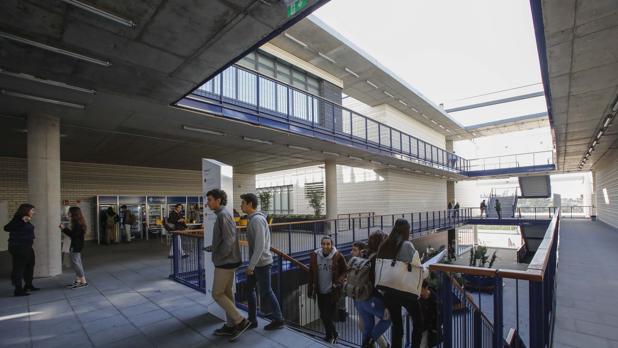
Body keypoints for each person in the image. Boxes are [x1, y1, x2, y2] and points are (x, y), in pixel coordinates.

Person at [205, 189, 251, 342]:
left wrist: (219, 255)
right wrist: (213, 247)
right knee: (227, 293)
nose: (207, 203)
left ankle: (240, 321)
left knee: (217, 294)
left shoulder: (223, 215)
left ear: (218, 200)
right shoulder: (222, 214)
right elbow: (225, 239)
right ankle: (231, 325)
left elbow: (230, 240)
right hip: (228, 260)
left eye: (210, 200)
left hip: (225, 262)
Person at [240, 193, 285, 331]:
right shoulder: (253, 219)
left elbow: (260, 246)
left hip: (262, 263)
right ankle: (252, 320)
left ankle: (279, 319)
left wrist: (251, 266)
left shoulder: (257, 220)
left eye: (242, 203)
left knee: (266, 291)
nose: (241, 206)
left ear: (249, 204)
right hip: (256, 263)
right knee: (250, 289)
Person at [376, 219, 424, 348]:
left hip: (388, 291)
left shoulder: (384, 244)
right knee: (418, 323)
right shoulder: (407, 245)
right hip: (405, 290)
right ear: (407, 231)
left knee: (397, 326)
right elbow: (418, 268)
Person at [353, 231, 391, 348]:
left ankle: (366, 344)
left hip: (359, 299)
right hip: (371, 299)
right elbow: (381, 285)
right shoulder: (378, 260)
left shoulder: (363, 254)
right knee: (390, 318)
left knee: (368, 326)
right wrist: (388, 305)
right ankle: (369, 341)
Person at [308, 236, 348, 344]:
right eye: (323, 244)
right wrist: (310, 287)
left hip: (332, 292)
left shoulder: (338, 256)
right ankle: (334, 334)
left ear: (332, 245)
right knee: (323, 315)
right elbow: (311, 272)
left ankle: (330, 336)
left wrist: (338, 283)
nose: (326, 246)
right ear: (321, 245)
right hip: (320, 291)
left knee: (327, 316)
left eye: (328, 244)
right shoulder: (315, 256)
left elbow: (345, 271)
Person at [4, 203, 38, 296]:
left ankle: (28, 285)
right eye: (32, 210)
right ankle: (18, 289)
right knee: (19, 268)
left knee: (30, 265)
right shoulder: (18, 219)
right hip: (19, 247)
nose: (33, 212)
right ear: (26, 210)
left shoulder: (26, 220)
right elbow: (6, 228)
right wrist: (22, 221)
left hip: (27, 246)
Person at [59, 207, 88, 288]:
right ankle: (78, 280)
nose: (68, 213)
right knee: (78, 262)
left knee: (76, 263)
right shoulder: (79, 222)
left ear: (74, 213)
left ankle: (83, 281)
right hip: (78, 245)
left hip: (75, 245)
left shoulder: (77, 223)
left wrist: (64, 229)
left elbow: (73, 235)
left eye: (69, 212)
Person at [419, 280, 441, 348]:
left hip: (430, 326)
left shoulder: (435, 300)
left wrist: (435, 328)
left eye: (422, 290)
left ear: (426, 288)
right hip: (421, 325)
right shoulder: (418, 297)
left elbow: (438, 315)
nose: (420, 292)